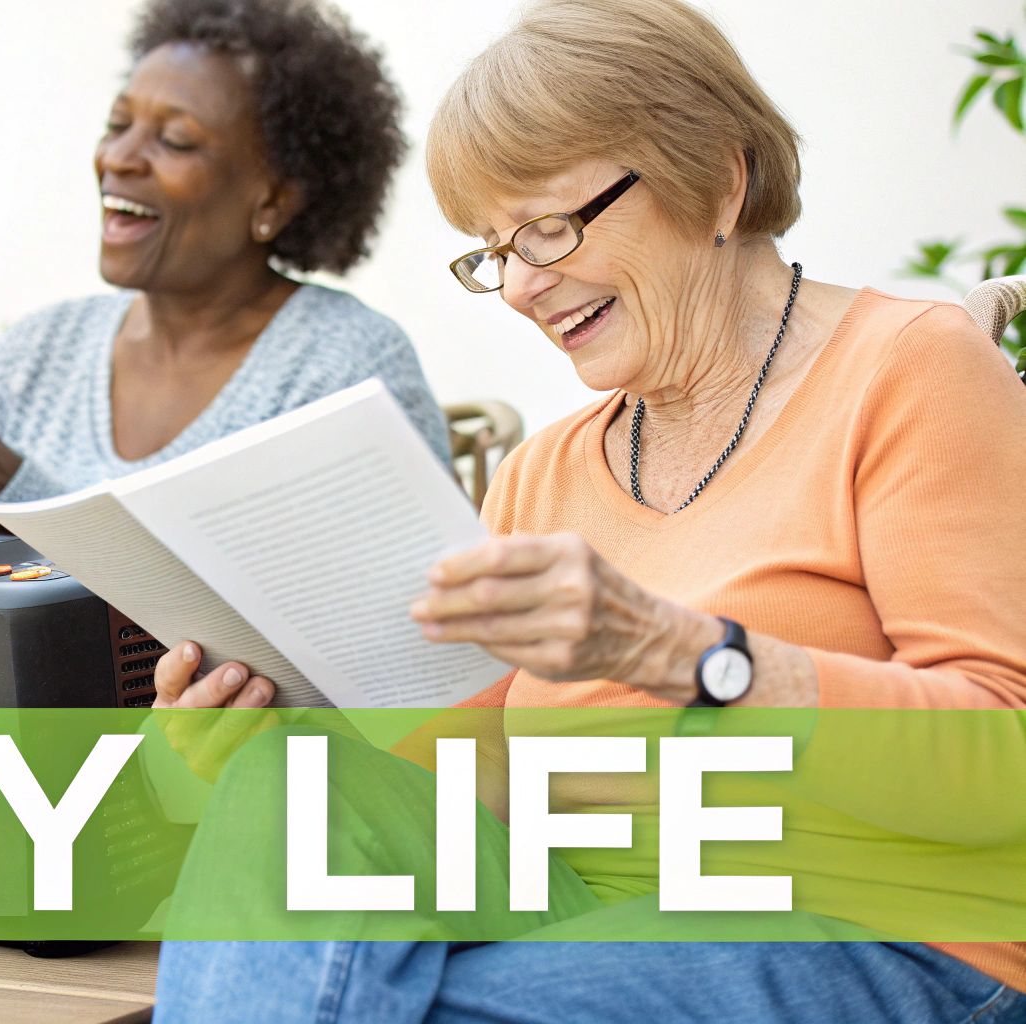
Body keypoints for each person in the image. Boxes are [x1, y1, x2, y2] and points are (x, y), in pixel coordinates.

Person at [148, 0, 1026, 1019]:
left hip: (875, 928)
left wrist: (680, 652)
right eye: (493, 250)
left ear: (717, 180)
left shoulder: (910, 369)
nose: (521, 285)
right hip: (580, 920)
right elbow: (460, 792)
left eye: (548, 228)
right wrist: (248, 749)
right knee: (297, 804)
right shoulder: (541, 474)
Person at [0, 0, 450, 528]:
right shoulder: (34, 354)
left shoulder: (344, 369)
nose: (118, 158)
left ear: (273, 201)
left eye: (175, 141)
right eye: (118, 125)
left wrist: (23, 503)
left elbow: (384, 608)